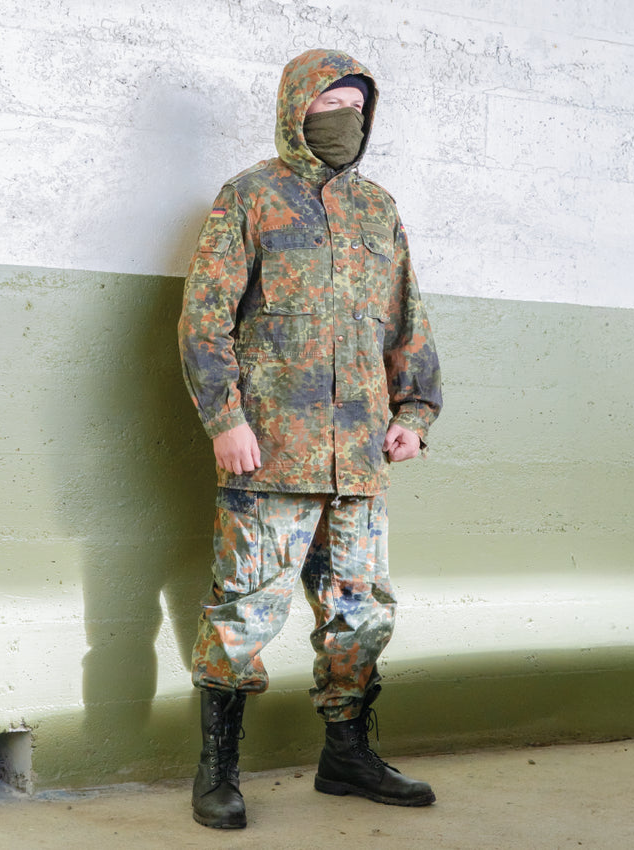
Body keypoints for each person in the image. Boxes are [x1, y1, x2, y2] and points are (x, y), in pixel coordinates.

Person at [177, 48, 442, 829]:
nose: (345, 119)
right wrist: (225, 420)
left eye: (357, 107)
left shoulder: (378, 210)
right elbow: (204, 319)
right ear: (296, 108)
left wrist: (412, 415)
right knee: (243, 611)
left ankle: (347, 757)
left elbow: (407, 321)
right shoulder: (250, 197)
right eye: (331, 104)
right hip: (269, 453)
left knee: (362, 613)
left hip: (359, 457)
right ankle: (217, 771)